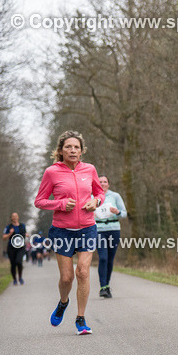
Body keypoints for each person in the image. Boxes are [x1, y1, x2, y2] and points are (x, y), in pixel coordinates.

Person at [34, 131, 105, 335]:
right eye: (68, 147)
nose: (72, 150)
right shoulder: (51, 172)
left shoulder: (90, 169)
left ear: (81, 151)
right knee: (66, 278)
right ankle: (63, 302)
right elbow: (39, 201)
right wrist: (61, 203)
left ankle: (81, 319)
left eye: (76, 147)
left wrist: (96, 202)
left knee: (82, 272)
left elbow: (99, 192)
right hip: (62, 231)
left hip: (87, 228)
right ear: (61, 150)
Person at [95, 175, 127, 298]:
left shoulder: (115, 196)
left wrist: (117, 212)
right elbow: (84, 211)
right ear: (96, 184)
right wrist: (91, 214)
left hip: (114, 229)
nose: (102, 184)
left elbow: (124, 213)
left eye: (105, 182)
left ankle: (106, 286)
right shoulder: (92, 196)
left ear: (108, 184)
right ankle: (103, 287)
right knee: (103, 258)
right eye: (100, 182)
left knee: (110, 259)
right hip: (99, 230)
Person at [2, 213, 28, 285]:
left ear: (18, 217)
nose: (14, 217)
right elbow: (3, 238)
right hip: (11, 248)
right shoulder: (8, 227)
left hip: (21, 247)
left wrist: (27, 234)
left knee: (19, 262)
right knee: (13, 264)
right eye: (13, 216)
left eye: (16, 216)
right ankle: (14, 279)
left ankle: (20, 277)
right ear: (11, 218)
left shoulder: (22, 226)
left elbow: (25, 233)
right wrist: (10, 233)